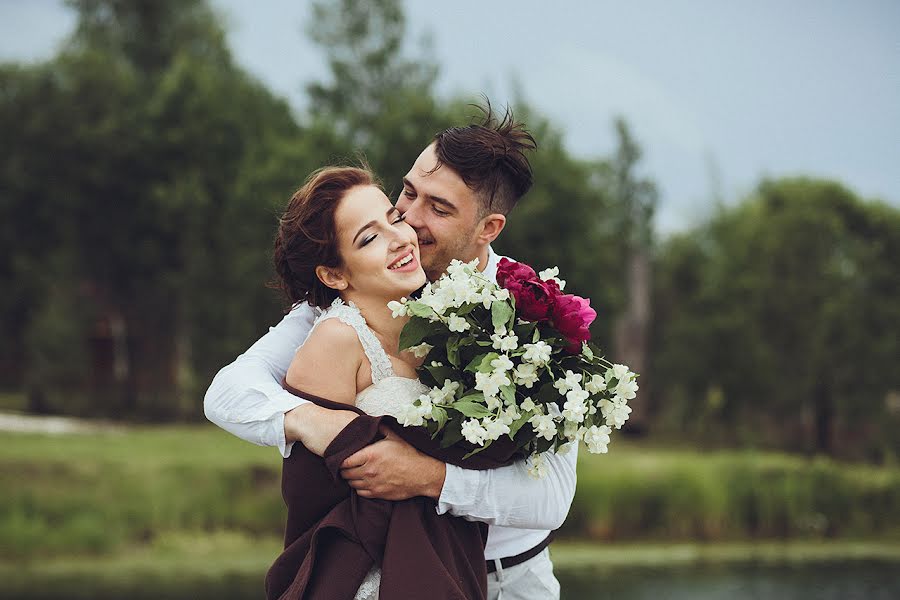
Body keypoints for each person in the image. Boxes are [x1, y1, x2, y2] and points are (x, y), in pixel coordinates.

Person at [205, 106, 577, 598]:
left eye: (439, 209)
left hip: (516, 578)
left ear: (488, 229)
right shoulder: (354, 296)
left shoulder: (530, 313)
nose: (409, 221)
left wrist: (428, 477)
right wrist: (315, 424)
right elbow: (228, 392)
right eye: (407, 193)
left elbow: (551, 496)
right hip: (405, 573)